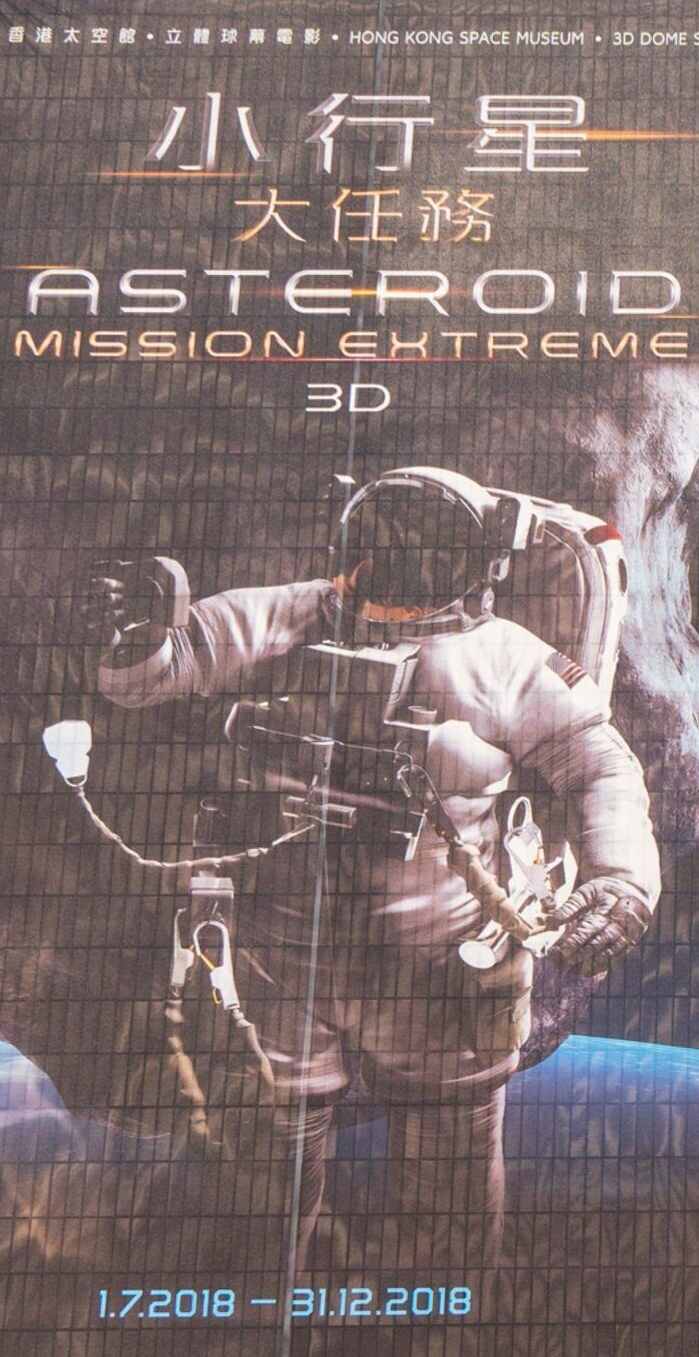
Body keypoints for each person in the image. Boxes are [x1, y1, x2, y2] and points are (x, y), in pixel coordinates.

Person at [93, 469, 659, 1275]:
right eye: (370, 569)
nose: (379, 600)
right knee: (261, 1189)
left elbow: (602, 770)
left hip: (438, 965)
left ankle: (447, 1343)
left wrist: (622, 881)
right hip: (280, 957)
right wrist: (133, 639)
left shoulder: (508, 663)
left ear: (470, 569)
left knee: (450, 1202)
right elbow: (163, 671)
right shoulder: (288, 615)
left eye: (405, 572)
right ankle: (258, 1327)